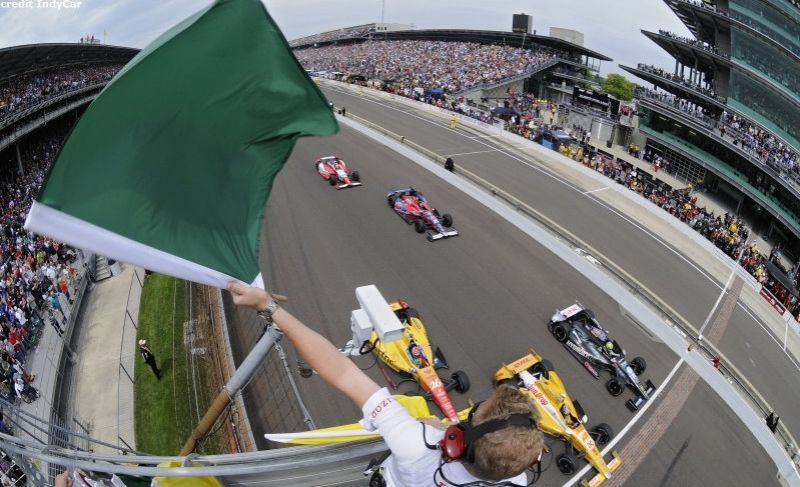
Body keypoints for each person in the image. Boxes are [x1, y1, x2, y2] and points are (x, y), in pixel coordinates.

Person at [227, 282, 544, 486]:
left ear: (454, 442)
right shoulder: (515, 478)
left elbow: (342, 372)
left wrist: (268, 306)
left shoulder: (417, 444)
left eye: (471, 415)